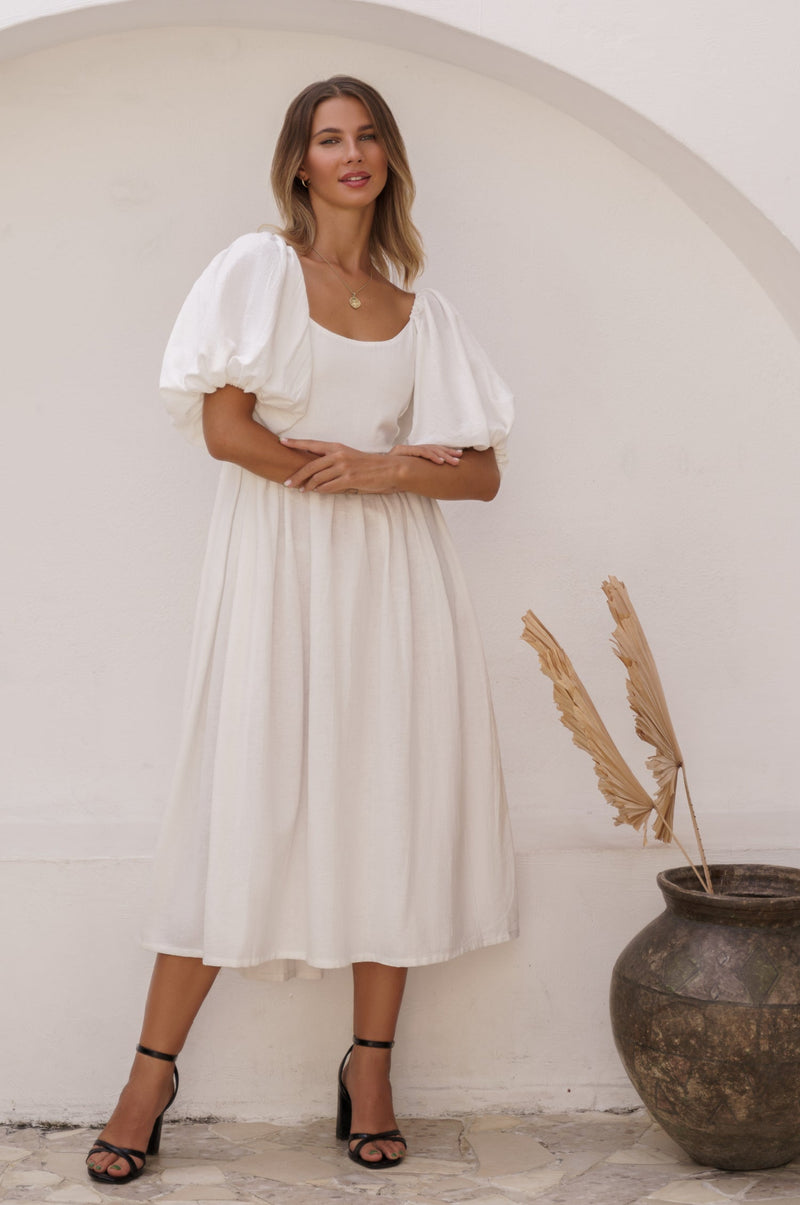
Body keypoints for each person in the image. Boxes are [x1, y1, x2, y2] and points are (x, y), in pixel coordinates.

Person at [85, 75, 518, 1185]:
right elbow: (228, 432)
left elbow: (478, 474)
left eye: (368, 135)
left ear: (389, 160)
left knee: (392, 803)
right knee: (240, 800)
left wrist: (387, 470)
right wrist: (346, 476)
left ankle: (368, 1069)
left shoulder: (424, 313)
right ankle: (148, 1075)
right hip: (277, 565)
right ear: (298, 162)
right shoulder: (257, 271)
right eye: (330, 138)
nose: (352, 153)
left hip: (392, 579)